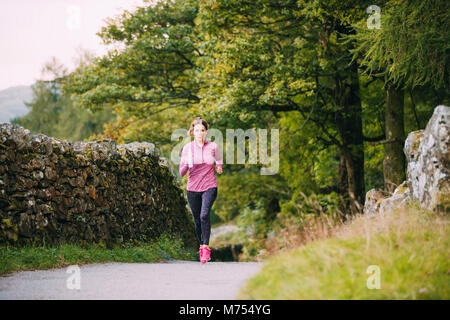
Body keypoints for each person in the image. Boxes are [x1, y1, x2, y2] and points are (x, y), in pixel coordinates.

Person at [179, 117, 223, 263]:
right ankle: (201, 246)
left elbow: (219, 159)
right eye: (197, 130)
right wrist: (186, 163)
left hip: (210, 186)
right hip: (192, 189)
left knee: (204, 215)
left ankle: (205, 249)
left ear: (206, 131)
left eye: (202, 130)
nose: (200, 133)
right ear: (192, 132)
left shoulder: (213, 147)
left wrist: (219, 166)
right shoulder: (187, 149)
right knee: (197, 220)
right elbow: (181, 173)